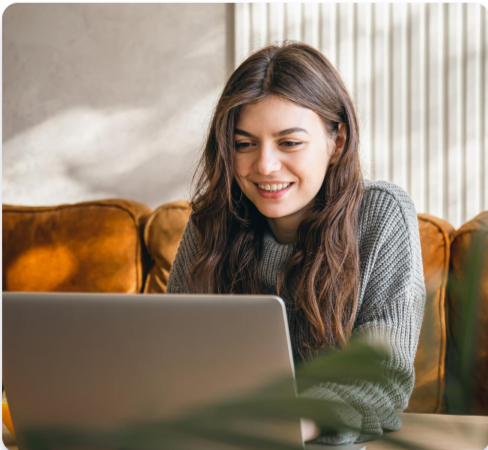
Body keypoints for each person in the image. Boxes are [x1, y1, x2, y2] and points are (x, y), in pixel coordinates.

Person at [166, 41, 426, 445]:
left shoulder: (381, 215)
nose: (265, 165)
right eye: (244, 144)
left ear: (336, 143)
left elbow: (383, 376)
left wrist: (293, 421)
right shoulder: (210, 221)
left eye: (289, 143)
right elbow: (169, 356)